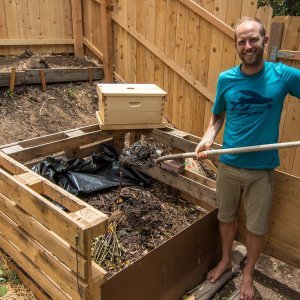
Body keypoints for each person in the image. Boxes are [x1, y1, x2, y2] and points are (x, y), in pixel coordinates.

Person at [194, 16, 300, 300]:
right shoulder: (226, 79)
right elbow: (218, 115)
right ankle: (227, 260)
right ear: (236, 45)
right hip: (228, 166)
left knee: (257, 227)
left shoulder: (282, 76)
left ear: (265, 41)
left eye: (253, 39)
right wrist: (208, 137)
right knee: (226, 217)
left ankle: (249, 273)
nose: (248, 45)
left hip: (261, 170)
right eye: (242, 41)